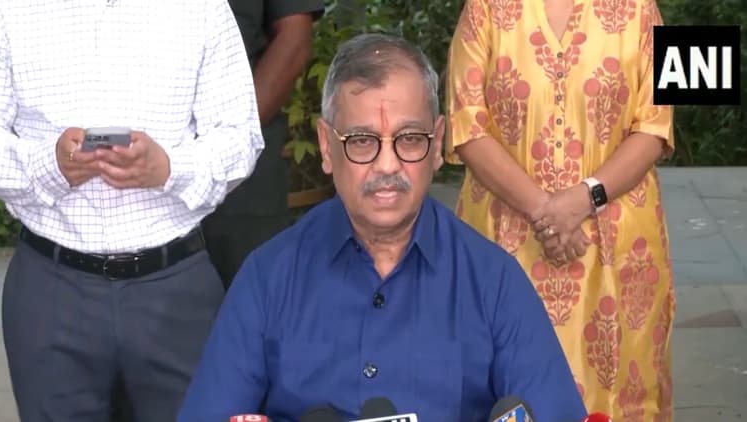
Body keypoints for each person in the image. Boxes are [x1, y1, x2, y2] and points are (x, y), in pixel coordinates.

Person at [176, 33, 587, 422]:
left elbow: (553, 411)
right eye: (361, 141)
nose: (387, 165)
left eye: (409, 139)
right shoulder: (268, 277)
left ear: (437, 143)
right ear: (326, 147)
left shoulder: (493, 281)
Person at [0, 0, 263, 420]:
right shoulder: (10, 9)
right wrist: (50, 166)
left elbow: (240, 137)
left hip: (174, 287)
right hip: (51, 289)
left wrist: (169, 168)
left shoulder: (202, 8)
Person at [445, 0, 675, 419]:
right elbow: (465, 126)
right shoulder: (483, 9)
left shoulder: (643, 9)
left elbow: (657, 126)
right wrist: (545, 210)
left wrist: (583, 198)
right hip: (505, 245)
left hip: (617, 250)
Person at [201, 0, 325, 288]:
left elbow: (294, 39)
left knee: (253, 300)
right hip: (134, 178)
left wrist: (233, 141)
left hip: (240, 181)